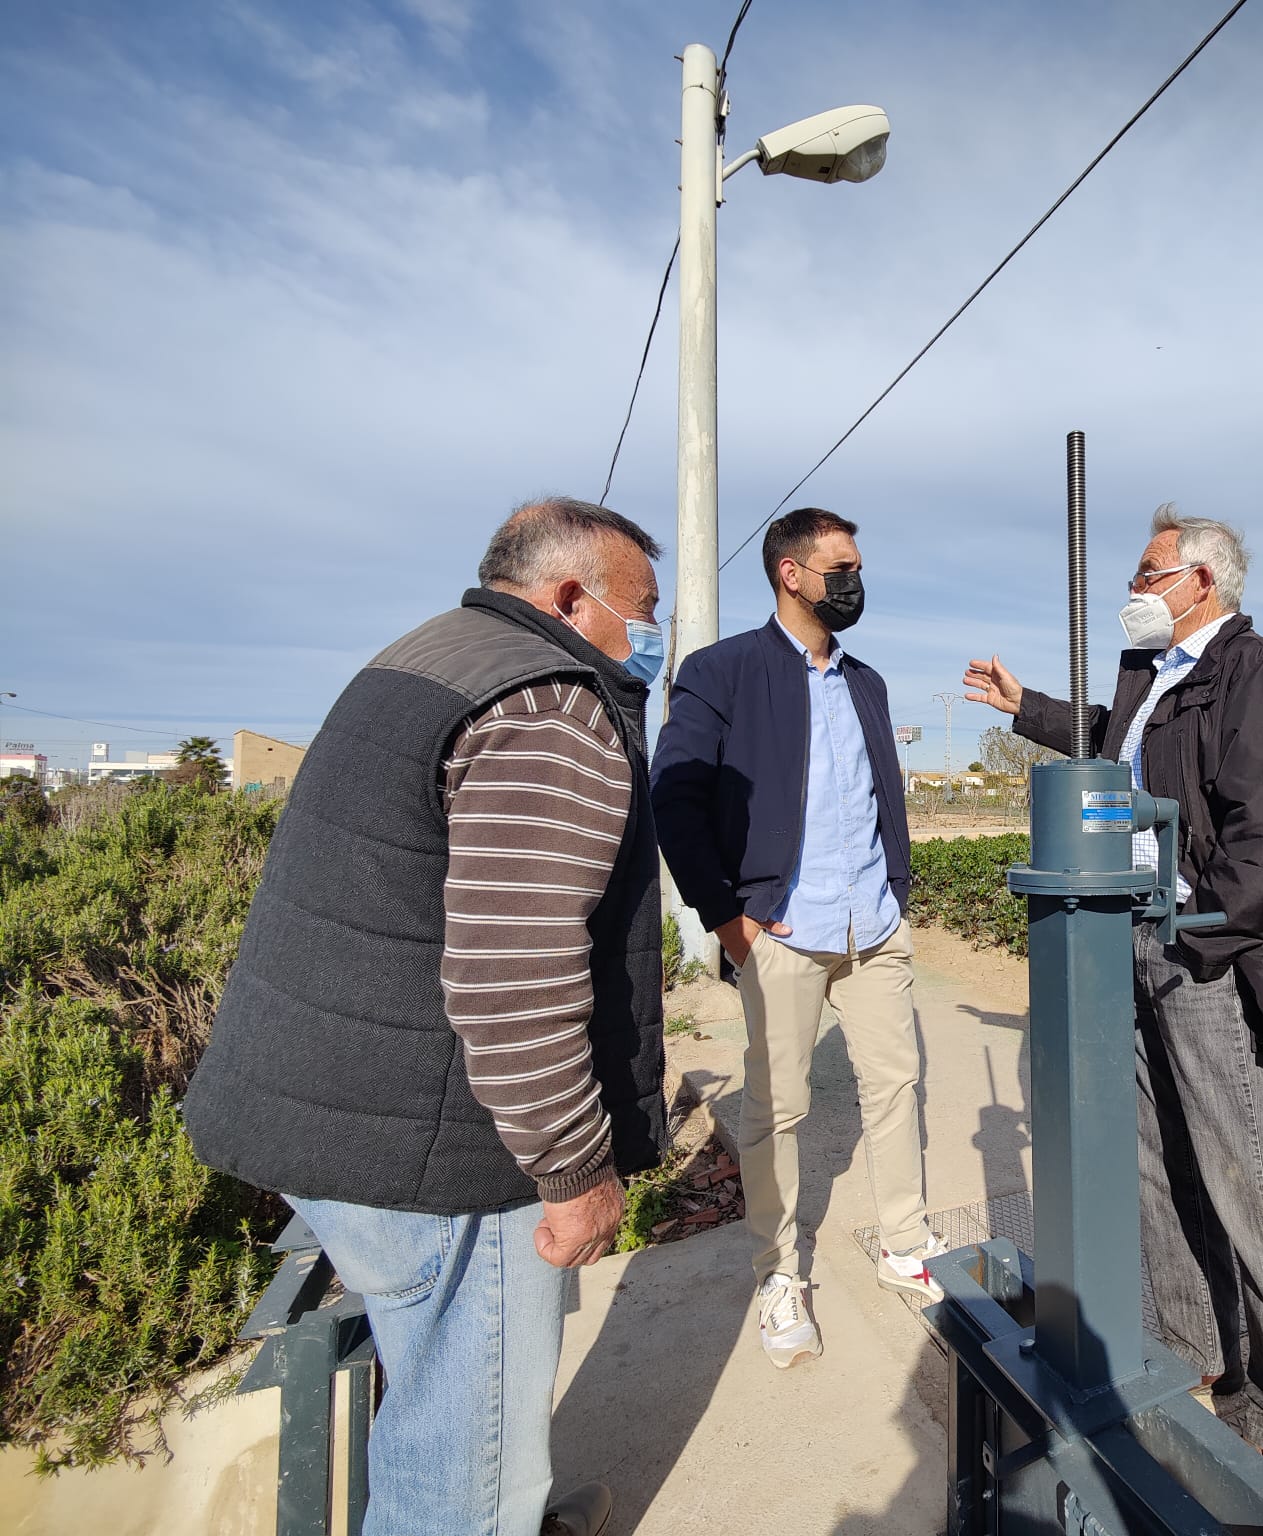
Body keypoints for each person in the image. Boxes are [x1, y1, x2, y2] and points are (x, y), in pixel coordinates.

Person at [184, 497, 673, 1536]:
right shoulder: (549, 704)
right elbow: (516, 973)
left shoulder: (427, 655)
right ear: (571, 596)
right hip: (442, 1140)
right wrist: (573, 1166)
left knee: (442, 1389)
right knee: (467, 1454)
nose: (653, 632)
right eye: (645, 607)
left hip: (338, 1109)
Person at [962, 505, 1263, 1490]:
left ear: (1201, 582)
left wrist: (1197, 932)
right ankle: (1194, 1354)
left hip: (1206, 956)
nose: (1134, 589)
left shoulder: (1262, 680)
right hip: (1132, 943)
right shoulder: (1150, 677)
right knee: (1156, 1166)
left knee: (1248, 1190)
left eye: (1148, 572)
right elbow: (1112, 743)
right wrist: (1026, 708)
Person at [650, 506, 940, 1370]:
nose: (854, 581)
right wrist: (727, 919)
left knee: (897, 1084)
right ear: (791, 573)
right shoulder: (722, 672)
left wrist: (897, 889)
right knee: (778, 1107)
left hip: (873, 926)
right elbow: (676, 798)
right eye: (841, 568)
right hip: (781, 929)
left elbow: (879, 793)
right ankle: (779, 1273)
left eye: (857, 567)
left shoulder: (868, 683)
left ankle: (904, 1245)